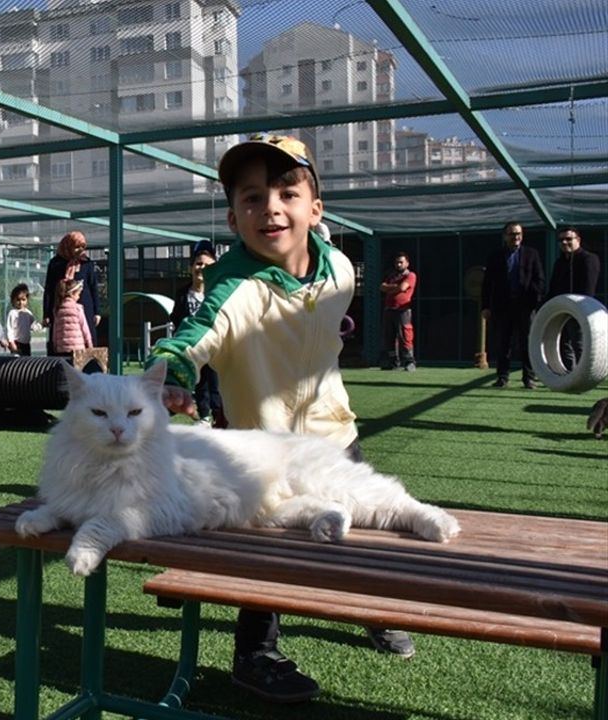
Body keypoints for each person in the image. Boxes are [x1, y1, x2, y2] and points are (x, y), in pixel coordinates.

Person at [148, 134, 414, 704]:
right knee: (268, 556)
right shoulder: (233, 287)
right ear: (233, 217)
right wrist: (172, 374)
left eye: (287, 193)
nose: (270, 206)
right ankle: (255, 654)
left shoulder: (339, 269)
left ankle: (371, 605)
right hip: (265, 456)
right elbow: (193, 338)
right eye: (251, 198)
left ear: (315, 211)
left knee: (368, 527)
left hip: (335, 436)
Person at [481, 221, 545, 388]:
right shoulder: (495, 256)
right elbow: (487, 284)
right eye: (512, 234)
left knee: (528, 342)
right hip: (503, 307)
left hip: (526, 306)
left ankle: (528, 378)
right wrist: (485, 306)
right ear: (505, 236)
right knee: (504, 343)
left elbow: (539, 279)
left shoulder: (532, 254)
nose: (515, 237)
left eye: (518, 234)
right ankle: (502, 378)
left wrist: (535, 299)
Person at [168, 245, 224, 426]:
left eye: (207, 265)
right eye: (198, 264)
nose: (201, 268)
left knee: (215, 382)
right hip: (193, 347)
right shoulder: (183, 294)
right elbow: (176, 318)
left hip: (214, 345)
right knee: (200, 382)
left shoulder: (216, 293)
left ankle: (220, 416)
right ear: (192, 267)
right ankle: (205, 415)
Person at [547, 226, 601, 368]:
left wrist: (579, 310)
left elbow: (588, 290)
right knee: (563, 343)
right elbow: (553, 288)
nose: (564, 242)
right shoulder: (560, 262)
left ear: (578, 240)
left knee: (579, 344)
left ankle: (584, 375)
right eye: (561, 240)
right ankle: (569, 374)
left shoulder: (589, 259)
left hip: (580, 311)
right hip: (561, 311)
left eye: (568, 239)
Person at [43, 230, 100, 355]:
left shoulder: (87, 264)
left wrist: (97, 312)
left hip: (84, 308)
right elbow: (49, 289)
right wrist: (46, 313)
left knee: (86, 336)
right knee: (62, 338)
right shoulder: (56, 264)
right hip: (61, 309)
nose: (80, 250)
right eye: (76, 247)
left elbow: (93, 288)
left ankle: (89, 370)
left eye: (82, 247)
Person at [379, 251, 417, 371]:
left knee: (405, 335)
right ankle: (393, 362)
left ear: (407, 263)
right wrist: (396, 288)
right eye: (397, 262)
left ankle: (409, 362)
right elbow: (382, 287)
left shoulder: (410, 275)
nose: (398, 264)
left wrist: (391, 288)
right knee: (388, 336)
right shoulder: (391, 276)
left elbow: (403, 287)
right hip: (389, 309)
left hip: (403, 310)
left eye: (401, 262)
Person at [50, 279, 93, 356]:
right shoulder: (78, 308)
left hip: (62, 348)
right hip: (77, 348)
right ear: (72, 294)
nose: (79, 297)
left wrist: (55, 344)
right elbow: (84, 327)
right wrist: (89, 343)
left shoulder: (58, 310)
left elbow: (55, 330)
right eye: (78, 294)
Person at [6, 283, 36, 356]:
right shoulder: (12, 313)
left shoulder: (28, 313)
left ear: (27, 300)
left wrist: (42, 324)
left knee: (26, 363)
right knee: (16, 363)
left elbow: (33, 326)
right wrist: (11, 342)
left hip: (26, 345)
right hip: (16, 344)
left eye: (23, 299)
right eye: (18, 299)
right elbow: (9, 329)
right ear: (13, 300)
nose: (21, 302)